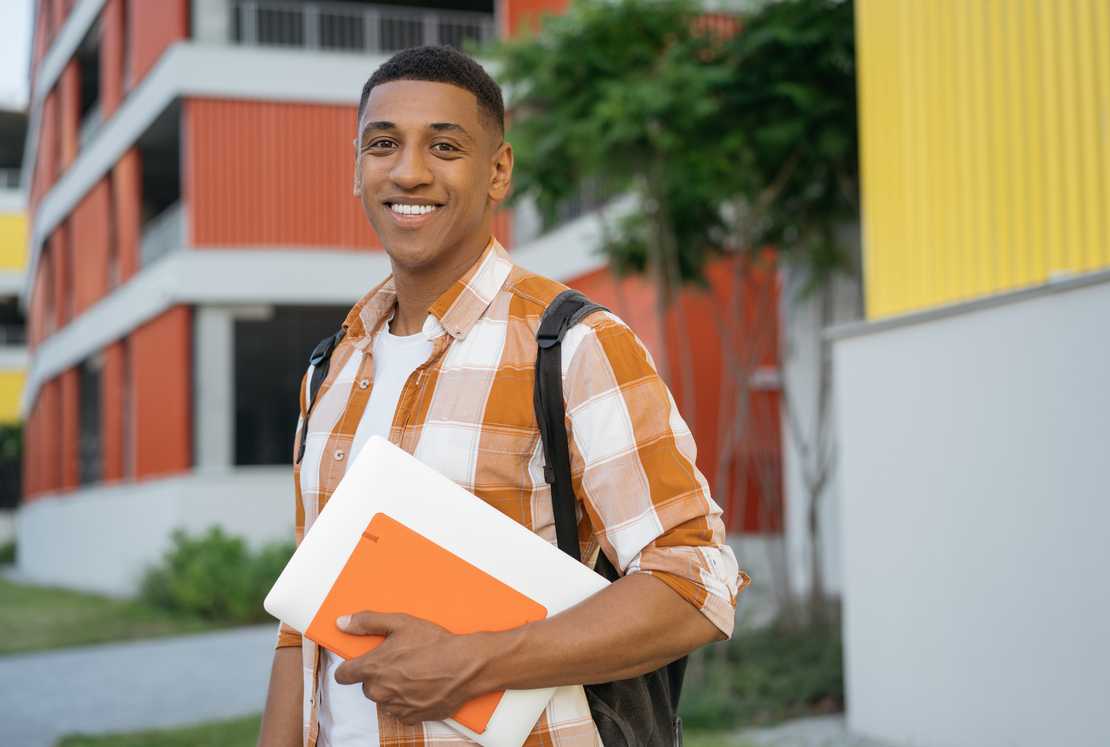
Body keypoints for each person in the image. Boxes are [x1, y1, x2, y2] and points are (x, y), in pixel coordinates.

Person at [257, 45, 749, 747]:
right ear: (358, 169)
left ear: (498, 171)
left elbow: (697, 585)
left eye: (445, 145)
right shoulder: (329, 369)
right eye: (383, 144)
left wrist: (474, 661)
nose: (409, 170)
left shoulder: (574, 346)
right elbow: (303, 625)